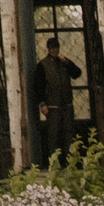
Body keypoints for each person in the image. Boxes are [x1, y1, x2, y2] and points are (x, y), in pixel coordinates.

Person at [34, 35, 82, 166]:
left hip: (66, 104)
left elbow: (77, 73)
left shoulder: (64, 62)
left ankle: (70, 163)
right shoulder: (42, 65)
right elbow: (38, 87)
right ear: (48, 49)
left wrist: (68, 62)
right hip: (52, 106)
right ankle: (53, 164)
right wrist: (42, 104)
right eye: (52, 48)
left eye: (56, 48)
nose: (55, 50)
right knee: (53, 136)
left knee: (69, 135)